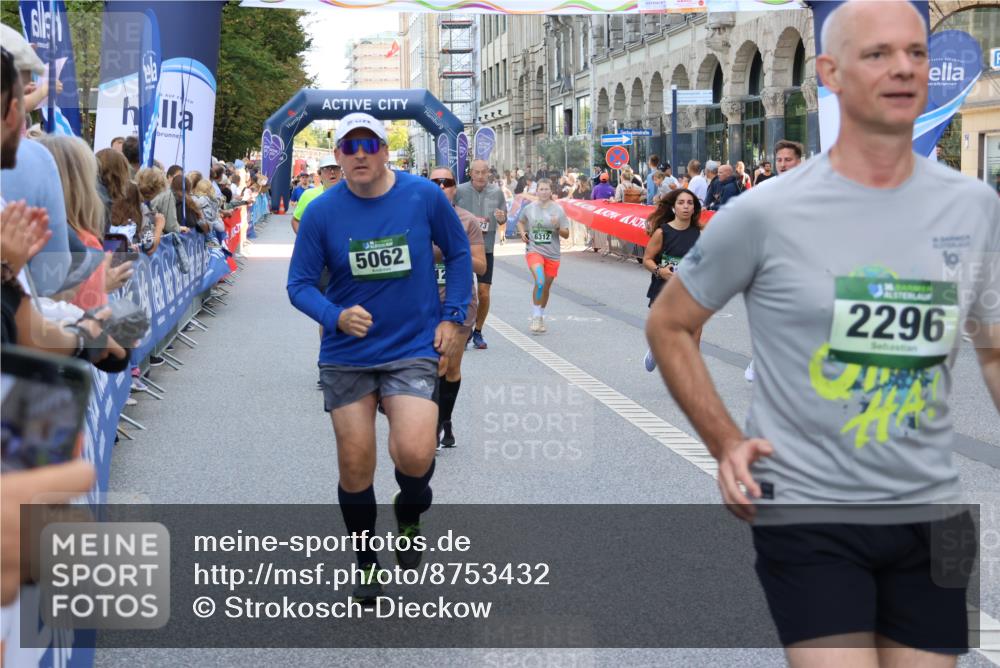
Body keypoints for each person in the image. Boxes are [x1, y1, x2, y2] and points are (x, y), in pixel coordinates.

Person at [646, 2, 1000, 665]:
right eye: (878, 54)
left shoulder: (975, 207)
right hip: (807, 512)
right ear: (831, 74)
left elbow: (995, 350)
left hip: (935, 513)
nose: (903, 68)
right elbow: (670, 323)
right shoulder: (763, 213)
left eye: (916, 53)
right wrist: (725, 442)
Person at [286, 113, 471, 604]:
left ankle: (409, 511)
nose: (360, 154)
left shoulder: (422, 196)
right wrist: (335, 315)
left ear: (386, 150)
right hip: (348, 354)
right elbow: (299, 285)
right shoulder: (323, 212)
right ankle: (366, 561)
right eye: (350, 147)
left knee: (415, 453)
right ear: (337, 155)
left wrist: (453, 317)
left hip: (412, 346)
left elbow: (458, 253)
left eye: (370, 144)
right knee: (355, 464)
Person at [37, 135, 134, 312]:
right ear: (82, 185)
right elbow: (91, 326)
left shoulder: (25, 232)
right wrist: (99, 287)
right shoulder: (84, 244)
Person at [428, 166, 486, 449]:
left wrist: (455, 252)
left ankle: (445, 420)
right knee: (436, 363)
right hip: (425, 303)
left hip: (460, 302)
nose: (441, 187)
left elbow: (481, 266)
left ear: (455, 187)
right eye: (435, 182)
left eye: (447, 182)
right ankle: (434, 425)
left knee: (451, 368)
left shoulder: (467, 221)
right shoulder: (415, 219)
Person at [641, 188, 702, 372]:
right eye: (681, 203)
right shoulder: (662, 232)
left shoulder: (700, 233)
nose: (686, 206)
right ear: (674, 207)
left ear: (694, 208)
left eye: (690, 203)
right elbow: (647, 259)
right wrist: (660, 271)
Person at [455, 159, 507, 351]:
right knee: (464, 292)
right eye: (476, 172)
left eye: (483, 172)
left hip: (486, 249)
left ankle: (478, 331)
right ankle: (464, 329)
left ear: (488, 173)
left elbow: (503, 218)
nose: (480, 176)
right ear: (471, 173)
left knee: (484, 293)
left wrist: (501, 218)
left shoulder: (497, 192)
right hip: (463, 249)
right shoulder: (459, 191)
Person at [514, 178, 570, 333]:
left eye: (547, 189)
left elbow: (566, 234)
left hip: (552, 254)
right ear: (536, 191)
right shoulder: (530, 208)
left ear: (551, 191)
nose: (544, 192)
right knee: (540, 281)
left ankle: (540, 315)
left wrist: (557, 227)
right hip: (534, 250)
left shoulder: (558, 210)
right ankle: (535, 316)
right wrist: (522, 232)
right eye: (541, 189)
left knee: (546, 287)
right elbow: (520, 221)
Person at [291, 156, 341, 234]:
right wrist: (304, 239)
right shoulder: (308, 194)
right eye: (327, 168)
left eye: (335, 167)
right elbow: (296, 221)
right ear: (320, 174)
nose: (332, 172)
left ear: (341, 172)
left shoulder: (352, 196)